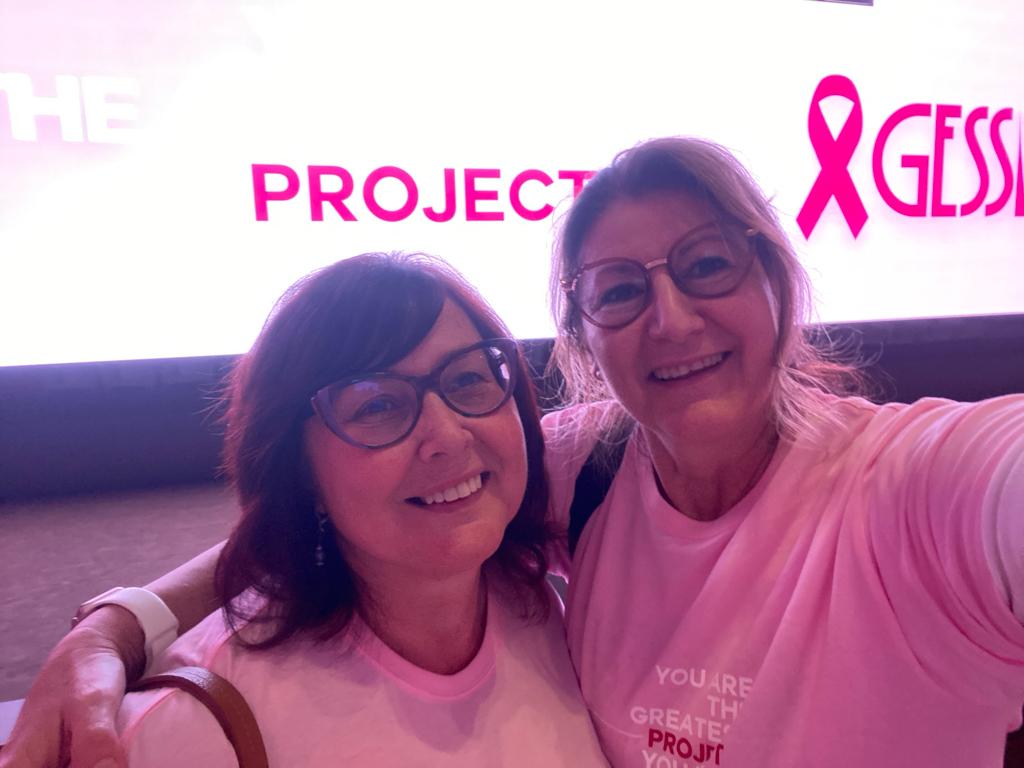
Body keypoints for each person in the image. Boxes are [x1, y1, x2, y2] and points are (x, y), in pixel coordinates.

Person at [5, 137, 1024, 768]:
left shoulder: (918, 485)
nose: (671, 317)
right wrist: (116, 626)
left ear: (778, 280)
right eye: (619, 291)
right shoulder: (589, 469)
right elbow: (334, 517)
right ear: (584, 338)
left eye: (708, 264)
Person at [2, 252, 609, 767]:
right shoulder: (190, 729)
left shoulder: (543, 611)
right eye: (377, 406)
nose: (447, 436)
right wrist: (114, 627)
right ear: (299, 469)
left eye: (469, 379)